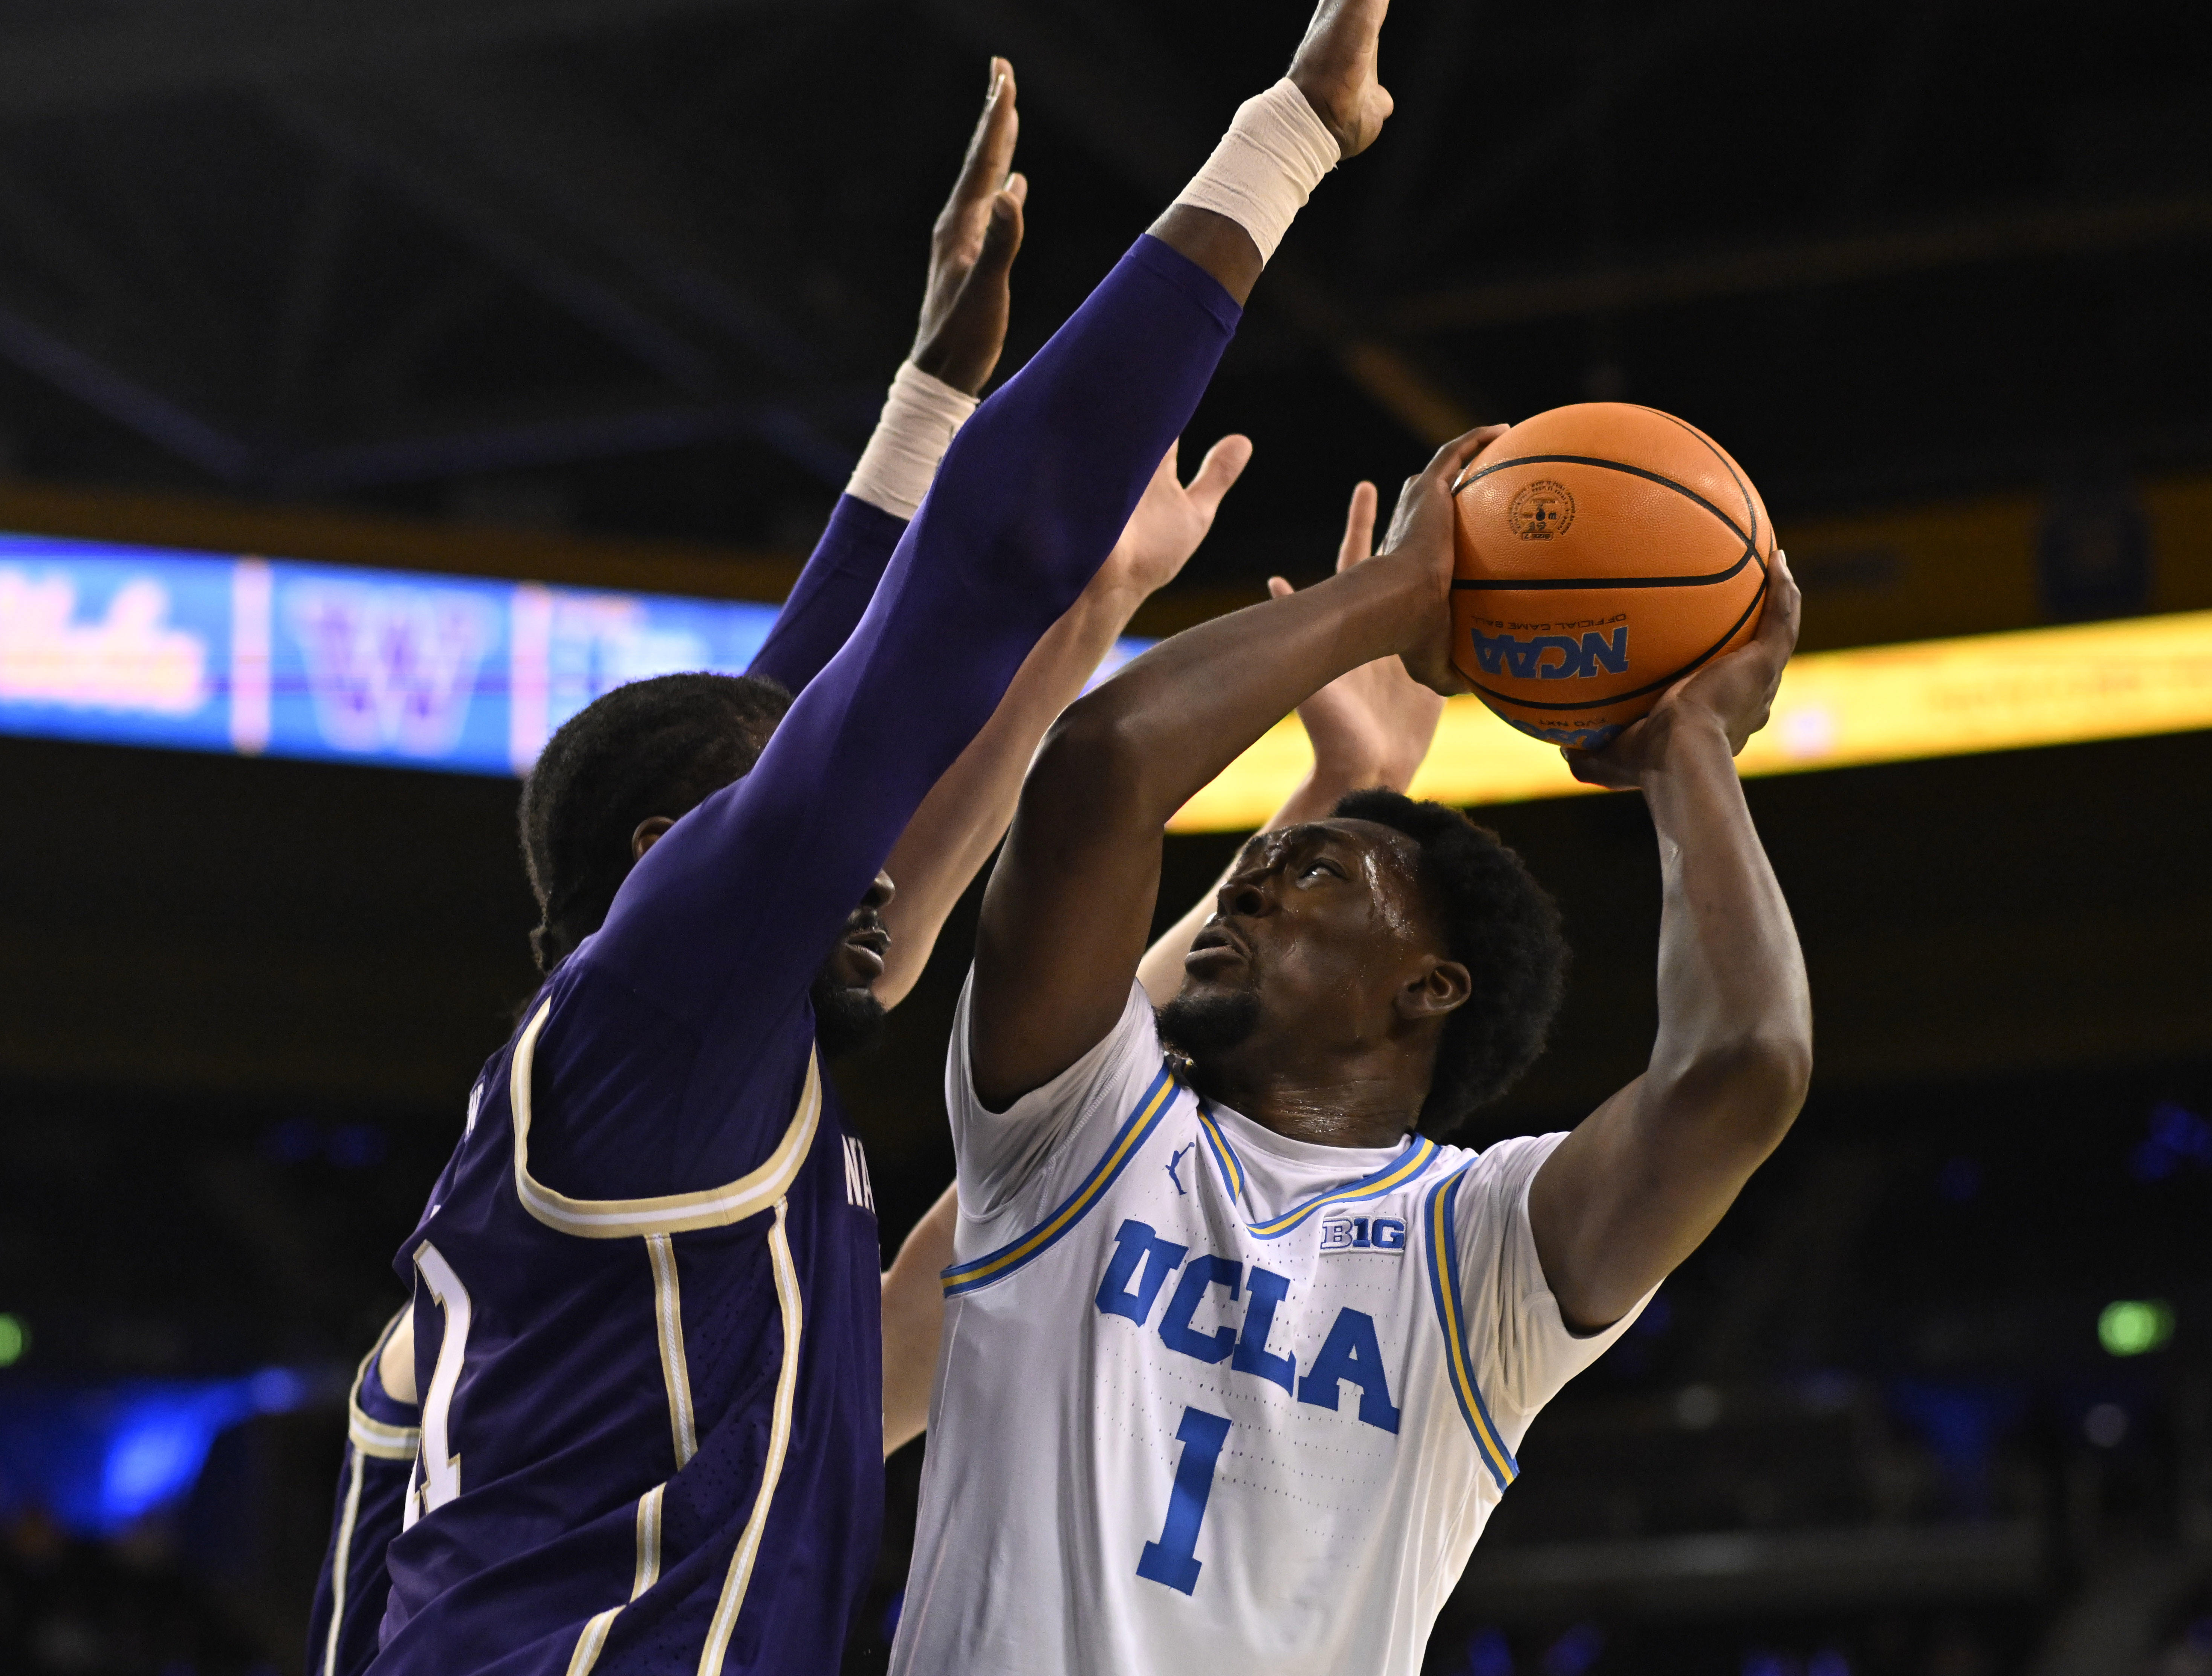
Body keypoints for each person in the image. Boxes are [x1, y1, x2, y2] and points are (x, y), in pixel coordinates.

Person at [339, 0, 1373, 1658]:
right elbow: (959, 589)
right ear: (675, 856)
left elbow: (911, 1323)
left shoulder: (672, 1089)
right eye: (827, 848)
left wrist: (928, 407)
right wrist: (1288, 139)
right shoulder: (652, 1019)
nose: (882, 867)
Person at [886, 411, 1812, 1670]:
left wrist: (1688, 747)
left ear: (1429, 987)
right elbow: (1101, 768)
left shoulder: (1478, 1250)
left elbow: (1743, 1066)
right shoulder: (1076, 1131)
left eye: (1309, 871)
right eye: (1254, 869)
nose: (1247, 888)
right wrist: (1397, 595)